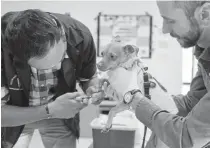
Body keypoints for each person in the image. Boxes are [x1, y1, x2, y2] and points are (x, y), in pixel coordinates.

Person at [104, 1, 210, 148]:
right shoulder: (205, 54)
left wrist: (133, 97)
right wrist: (144, 95)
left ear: (205, 14)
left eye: (170, 20)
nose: (165, 29)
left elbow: (186, 137)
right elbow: (191, 104)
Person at [1, 9, 104, 148]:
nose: (55, 69)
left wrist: (92, 88)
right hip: (14, 114)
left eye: (61, 59)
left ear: (63, 36)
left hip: (60, 114)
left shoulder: (80, 36)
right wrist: (49, 110)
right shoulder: (3, 47)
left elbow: (88, 78)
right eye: (39, 68)